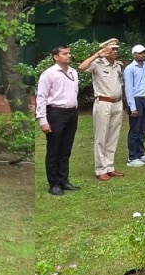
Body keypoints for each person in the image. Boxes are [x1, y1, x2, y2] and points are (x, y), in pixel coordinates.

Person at [36, 45, 79, 196]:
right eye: (65, 54)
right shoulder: (49, 74)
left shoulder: (73, 72)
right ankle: (54, 183)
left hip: (71, 112)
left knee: (66, 148)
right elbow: (41, 97)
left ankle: (64, 180)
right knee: (54, 149)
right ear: (56, 56)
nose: (69, 56)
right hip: (56, 112)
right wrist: (43, 120)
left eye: (69, 53)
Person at [79, 38, 124, 182]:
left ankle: (109, 166)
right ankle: (100, 169)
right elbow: (81, 67)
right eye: (112, 49)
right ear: (105, 50)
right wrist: (97, 55)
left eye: (116, 49)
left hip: (117, 103)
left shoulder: (118, 65)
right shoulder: (97, 64)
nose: (115, 51)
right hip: (103, 103)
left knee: (113, 135)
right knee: (101, 137)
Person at [123, 45, 145, 168]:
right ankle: (132, 157)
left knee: (143, 129)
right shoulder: (130, 69)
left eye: (144, 53)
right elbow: (128, 88)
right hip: (136, 99)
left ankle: (140, 153)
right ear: (134, 55)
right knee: (135, 129)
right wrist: (132, 106)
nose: (143, 55)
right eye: (140, 53)